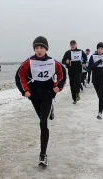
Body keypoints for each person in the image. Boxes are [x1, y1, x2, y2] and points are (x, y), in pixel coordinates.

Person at [15, 36, 66, 167]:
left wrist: (58, 86)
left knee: (43, 123)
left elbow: (62, 74)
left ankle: (43, 154)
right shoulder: (29, 62)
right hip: (35, 96)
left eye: (41, 47)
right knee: (42, 118)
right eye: (36, 48)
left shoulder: (52, 62)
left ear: (46, 49)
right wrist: (25, 90)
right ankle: (50, 110)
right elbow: (19, 76)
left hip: (48, 95)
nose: (39, 50)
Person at [88, 42, 103, 120]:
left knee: (101, 94)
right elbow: (90, 67)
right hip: (95, 79)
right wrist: (98, 62)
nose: (100, 50)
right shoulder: (93, 56)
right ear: (97, 49)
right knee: (99, 94)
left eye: (101, 48)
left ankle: (100, 113)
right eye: (99, 48)